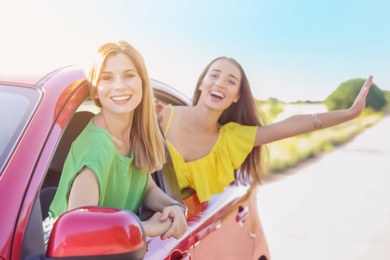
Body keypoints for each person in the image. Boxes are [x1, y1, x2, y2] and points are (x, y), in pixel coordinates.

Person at [157, 56, 373, 204]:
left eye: (230, 81)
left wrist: (350, 113)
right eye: (214, 76)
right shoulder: (160, 115)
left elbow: (291, 125)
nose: (220, 83)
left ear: (237, 96)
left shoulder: (231, 139)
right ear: (201, 83)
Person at [44, 41, 188, 246]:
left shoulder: (136, 134)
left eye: (128, 75)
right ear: (95, 90)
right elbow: (80, 228)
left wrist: (174, 207)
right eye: (107, 78)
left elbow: (146, 189)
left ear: (142, 83)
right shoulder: (97, 147)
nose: (119, 85)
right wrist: (146, 227)